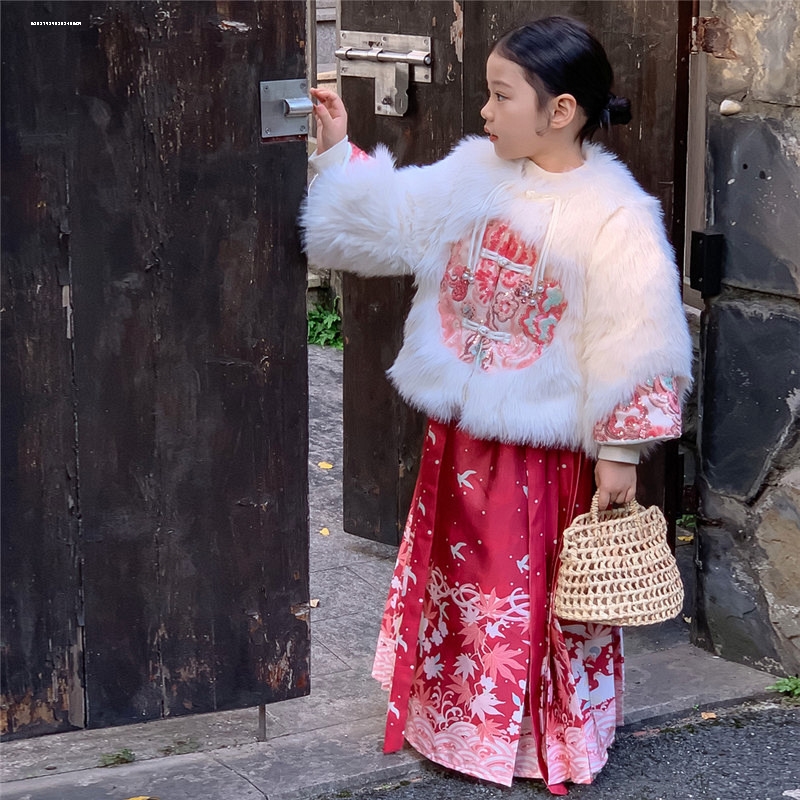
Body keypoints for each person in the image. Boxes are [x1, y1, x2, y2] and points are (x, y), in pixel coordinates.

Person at [301, 15, 692, 796]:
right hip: (462, 434)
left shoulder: (614, 213)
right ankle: (454, 722)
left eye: (499, 95)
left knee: (526, 592)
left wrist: (620, 451)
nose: (484, 112)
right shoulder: (474, 173)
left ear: (561, 109)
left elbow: (638, 336)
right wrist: (339, 152)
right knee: (460, 575)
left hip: (544, 448)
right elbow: (389, 225)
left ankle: (532, 737)